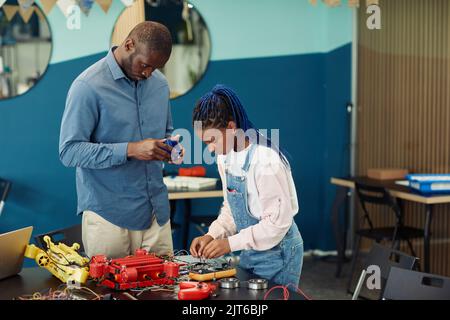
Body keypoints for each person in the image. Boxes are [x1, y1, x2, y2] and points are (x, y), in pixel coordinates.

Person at [59, 21, 178, 258]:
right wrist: (131, 150)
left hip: (157, 214)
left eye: (155, 68)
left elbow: (166, 132)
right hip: (108, 217)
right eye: (145, 65)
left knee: (165, 292)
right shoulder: (87, 86)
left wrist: (170, 148)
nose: (148, 74)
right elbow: (69, 151)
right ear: (129, 44)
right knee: (107, 292)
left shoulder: (160, 85)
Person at [189, 84, 303, 286]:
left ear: (232, 128)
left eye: (212, 140)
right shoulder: (225, 158)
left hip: (280, 253)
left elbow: (276, 225)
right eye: (205, 143)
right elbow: (231, 210)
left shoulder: (265, 160)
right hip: (250, 249)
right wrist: (212, 235)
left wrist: (229, 244)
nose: (211, 149)